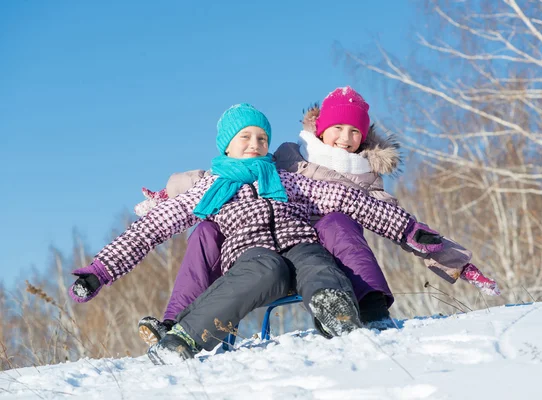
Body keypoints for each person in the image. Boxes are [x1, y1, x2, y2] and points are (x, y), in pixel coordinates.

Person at [68, 103, 463, 364]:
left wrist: (412, 231)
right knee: (265, 268)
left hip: (300, 246)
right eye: (246, 138)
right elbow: (150, 229)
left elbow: (353, 202)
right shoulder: (209, 188)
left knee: (318, 263)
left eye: (262, 138)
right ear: (228, 145)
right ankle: (183, 338)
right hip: (250, 257)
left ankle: (337, 312)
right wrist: (99, 271)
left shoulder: (290, 180)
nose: (256, 144)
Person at [134, 87, 500, 345]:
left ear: (364, 137)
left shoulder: (367, 178)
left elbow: (396, 222)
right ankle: (175, 322)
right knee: (207, 229)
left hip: (321, 255)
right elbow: (227, 175)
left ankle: (367, 304)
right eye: (338, 128)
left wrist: (454, 260)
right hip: (261, 245)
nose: (345, 138)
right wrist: (167, 197)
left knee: (335, 222)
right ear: (321, 128)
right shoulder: (289, 157)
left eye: (355, 131)